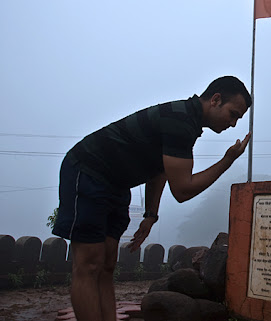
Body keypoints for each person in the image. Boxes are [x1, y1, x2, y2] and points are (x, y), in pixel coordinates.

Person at [52, 75, 252, 321]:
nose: (233, 123)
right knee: (89, 264)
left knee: (107, 264)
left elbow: (160, 171)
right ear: (216, 99)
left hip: (116, 184)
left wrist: (150, 215)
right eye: (233, 114)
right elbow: (183, 190)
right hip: (88, 170)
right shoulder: (180, 120)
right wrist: (227, 161)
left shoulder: (187, 122)